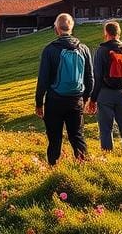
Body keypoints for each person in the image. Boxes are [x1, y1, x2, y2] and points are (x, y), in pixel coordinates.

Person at [35, 12, 94, 165]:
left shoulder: (50, 50)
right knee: (77, 136)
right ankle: (85, 167)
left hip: (54, 101)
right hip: (76, 100)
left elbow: (43, 80)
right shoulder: (84, 49)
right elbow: (90, 78)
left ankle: (54, 169)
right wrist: (85, 98)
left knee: (54, 138)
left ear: (56, 29)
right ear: (72, 28)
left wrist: (39, 103)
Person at [88, 20, 122, 154]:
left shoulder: (101, 51)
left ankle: (107, 157)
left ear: (106, 33)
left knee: (105, 129)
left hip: (105, 94)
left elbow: (97, 78)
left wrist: (93, 99)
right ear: (119, 33)